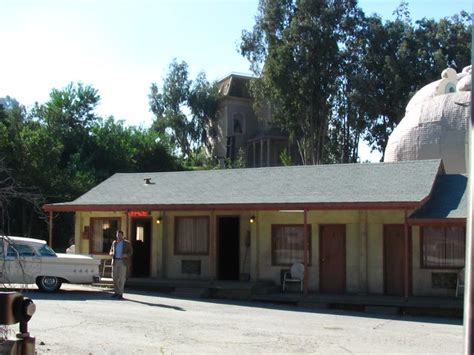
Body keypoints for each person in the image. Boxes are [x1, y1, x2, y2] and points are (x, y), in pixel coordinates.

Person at [109, 230, 133, 299]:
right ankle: (116, 292)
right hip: (115, 261)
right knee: (114, 278)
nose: (118, 236)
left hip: (122, 262)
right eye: (117, 235)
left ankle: (120, 293)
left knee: (121, 278)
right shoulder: (114, 242)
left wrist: (126, 255)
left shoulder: (127, 243)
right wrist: (111, 253)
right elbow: (111, 250)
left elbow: (131, 251)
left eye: (120, 235)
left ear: (122, 235)